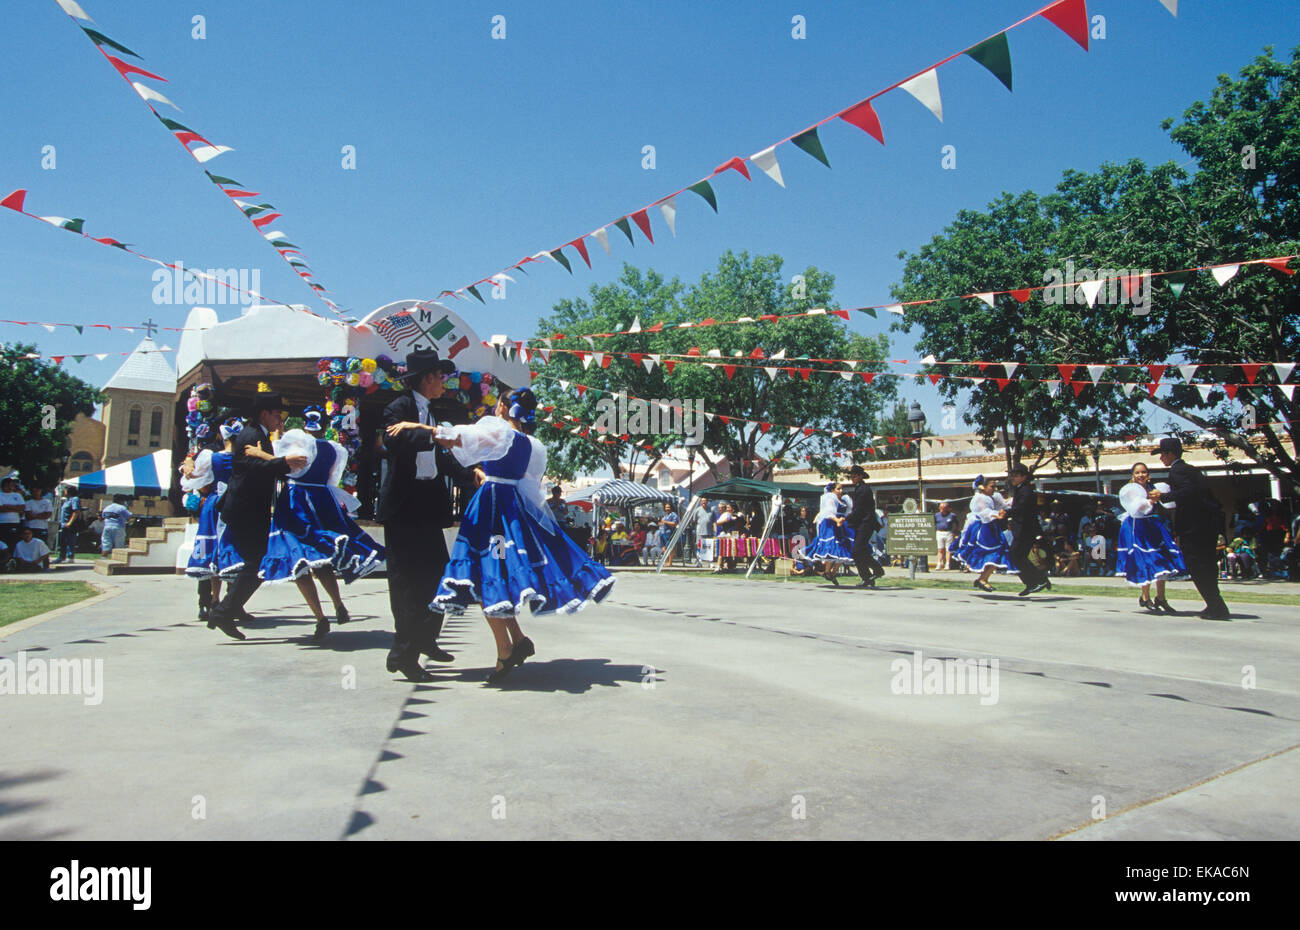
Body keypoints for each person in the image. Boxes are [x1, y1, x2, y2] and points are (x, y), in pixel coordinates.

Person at [430, 387, 615, 684]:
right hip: (509, 508)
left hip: (491, 509)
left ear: (503, 407)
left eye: (498, 403)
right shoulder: (531, 444)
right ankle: (516, 639)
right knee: (492, 575)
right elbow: (527, 485)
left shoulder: (498, 431)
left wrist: (422, 427)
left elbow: (455, 438)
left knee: (485, 574)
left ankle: (506, 650)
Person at [380, 349, 483, 681]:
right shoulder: (400, 408)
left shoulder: (429, 414)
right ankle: (403, 655)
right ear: (427, 378)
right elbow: (396, 438)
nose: (444, 382)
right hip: (403, 510)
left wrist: (472, 471)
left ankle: (425, 639)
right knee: (407, 584)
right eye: (440, 377)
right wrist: (430, 432)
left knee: (438, 576)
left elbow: (442, 459)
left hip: (426, 509)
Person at [259, 407, 385, 641]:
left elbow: (285, 467)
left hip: (297, 502)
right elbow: (331, 479)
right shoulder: (331, 448)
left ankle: (320, 616)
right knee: (321, 560)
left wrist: (264, 453)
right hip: (322, 500)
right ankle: (337, 604)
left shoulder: (298, 445)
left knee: (299, 560)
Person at [208, 392, 309, 641]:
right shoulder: (251, 435)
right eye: (277, 414)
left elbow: (266, 466)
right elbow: (254, 467)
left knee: (255, 564)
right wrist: (286, 462)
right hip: (245, 509)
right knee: (255, 564)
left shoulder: (259, 435)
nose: (280, 419)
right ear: (264, 413)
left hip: (252, 508)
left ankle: (225, 611)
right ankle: (223, 612)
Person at [1149, 437, 1230, 620]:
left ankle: (1216, 607)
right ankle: (1215, 604)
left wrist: (1164, 496)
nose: (1161, 458)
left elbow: (1188, 492)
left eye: (1162, 454)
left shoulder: (1178, 471)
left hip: (1195, 529)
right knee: (1207, 566)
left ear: (1170, 454)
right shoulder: (1189, 470)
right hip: (1205, 526)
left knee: (1197, 566)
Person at [1115, 462, 1185, 613]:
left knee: (1162, 560)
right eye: (1137, 473)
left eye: (1144, 472)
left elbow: (1168, 505)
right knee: (1144, 560)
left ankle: (1161, 598)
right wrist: (1151, 501)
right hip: (1136, 526)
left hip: (1153, 525)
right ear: (1133, 475)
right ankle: (1145, 597)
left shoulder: (1154, 488)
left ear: (1148, 474)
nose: (1141, 475)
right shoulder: (1131, 491)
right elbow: (1136, 509)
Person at [956, 475, 1017, 592]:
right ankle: (982, 579)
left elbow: (1004, 505)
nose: (994, 489)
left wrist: (1016, 499)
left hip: (991, 527)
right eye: (992, 486)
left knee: (999, 552)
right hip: (982, 528)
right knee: (995, 552)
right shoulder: (979, 499)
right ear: (982, 487)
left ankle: (983, 579)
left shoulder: (994, 496)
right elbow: (984, 512)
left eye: (995, 486)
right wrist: (996, 514)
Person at [798, 482, 854, 585]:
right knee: (831, 548)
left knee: (844, 548)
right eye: (838, 489)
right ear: (832, 490)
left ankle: (832, 572)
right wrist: (837, 520)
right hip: (831, 524)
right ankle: (828, 571)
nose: (841, 491)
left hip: (842, 525)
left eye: (841, 489)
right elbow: (828, 512)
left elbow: (848, 513)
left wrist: (845, 520)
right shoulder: (830, 498)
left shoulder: (845, 500)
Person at [1006, 464, 1049, 596]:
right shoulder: (1020, 489)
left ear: (1024, 477)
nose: (1013, 477)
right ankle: (1033, 582)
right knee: (1017, 556)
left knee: (1015, 554)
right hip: (1021, 529)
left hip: (1026, 530)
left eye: (1016, 475)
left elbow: (1021, 510)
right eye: (1012, 475)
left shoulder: (1026, 491)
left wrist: (1005, 512)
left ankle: (1039, 580)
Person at [845, 465, 884, 589]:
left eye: (855, 476)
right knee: (858, 552)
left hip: (866, 523)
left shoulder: (863, 489)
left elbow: (859, 510)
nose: (852, 478)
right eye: (851, 476)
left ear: (860, 476)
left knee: (857, 550)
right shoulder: (859, 489)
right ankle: (866, 578)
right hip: (861, 523)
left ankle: (878, 570)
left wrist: (846, 518)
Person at [0, 475, 26, 569]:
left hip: (15, 522)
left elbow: (22, 507)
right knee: (3, 543)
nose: (11, 487)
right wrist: (15, 508)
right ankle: (4, 562)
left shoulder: (17, 495)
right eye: (8, 485)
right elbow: (1, 509)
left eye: (12, 485)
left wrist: (8, 507)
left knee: (14, 542)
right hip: (2, 523)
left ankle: (14, 562)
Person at [54, 492, 81, 563]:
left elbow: (76, 511)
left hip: (70, 525)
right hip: (63, 524)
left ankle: (70, 557)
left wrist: (70, 522)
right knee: (63, 541)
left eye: (64, 489)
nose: (63, 491)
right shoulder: (67, 500)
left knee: (70, 541)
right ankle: (61, 557)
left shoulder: (75, 499)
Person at [934, 501, 958, 571]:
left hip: (948, 533)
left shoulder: (952, 515)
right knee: (940, 549)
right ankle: (939, 563)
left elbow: (957, 524)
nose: (942, 509)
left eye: (944, 508)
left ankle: (947, 564)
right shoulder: (936, 515)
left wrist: (954, 532)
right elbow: (933, 523)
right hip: (939, 533)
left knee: (948, 550)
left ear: (947, 508)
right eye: (941, 507)